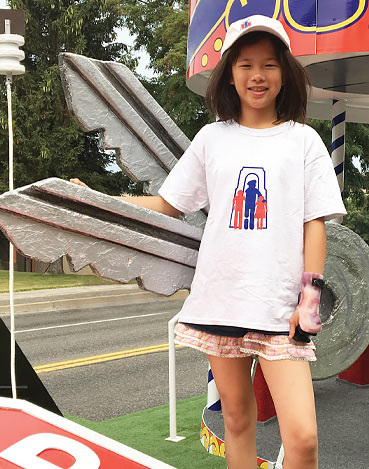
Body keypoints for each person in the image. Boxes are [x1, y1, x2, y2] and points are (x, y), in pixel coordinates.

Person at [71, 15, 346, 469]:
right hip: (220, 302)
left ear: (285, 73)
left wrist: (309, 300)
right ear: (230, 73)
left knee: (302, 439)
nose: (257, 76)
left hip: (280, 310)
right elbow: (167, 204)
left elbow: (314, 223)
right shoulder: (212, 139)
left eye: (269, 65)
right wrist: (97, 196)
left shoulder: (304, 142)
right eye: (245, 64)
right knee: (236, 420)